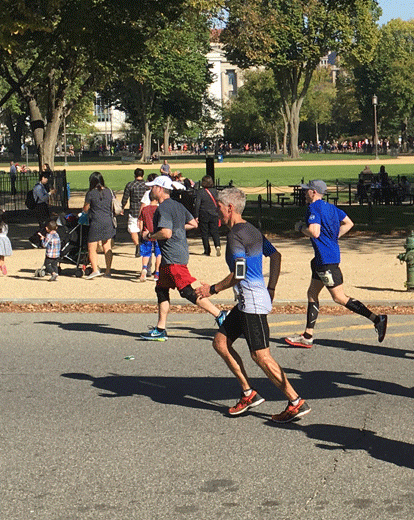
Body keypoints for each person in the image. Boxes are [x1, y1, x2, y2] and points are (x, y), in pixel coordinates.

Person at [198, 186, 308, 422]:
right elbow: (275, 255)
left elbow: (239, 273)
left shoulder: (236, 235)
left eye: (219, 207)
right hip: (248, 301)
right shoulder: (251, 230)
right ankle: (248, 393)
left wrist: (212, 289)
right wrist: (271, 288)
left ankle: (295, 401)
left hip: (251, 303)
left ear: (230, 208)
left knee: (261, 356)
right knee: (221, 343)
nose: (217, 212)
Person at [281, 179, 388, 348]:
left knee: (339, 297)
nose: (304, 193)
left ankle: (376, 319)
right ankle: (308, 335)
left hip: (326, 261)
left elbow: (314, 232)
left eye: (306, 190)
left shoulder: (314, 208)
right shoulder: (331, 207)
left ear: (313, 192)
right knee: (312, 293)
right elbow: (349, 223)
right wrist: (333, 238)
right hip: (321, 259)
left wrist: (300, 227)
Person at [140, 175, 222, 340]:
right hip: (173, 256)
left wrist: (150, 236)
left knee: (187, 291)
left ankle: (220, 315)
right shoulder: (177, 205)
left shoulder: (163, 208)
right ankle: (160, 329)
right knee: (161, 290)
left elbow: (166, 233)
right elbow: (193, 224)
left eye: (153, 186)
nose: (151, 189)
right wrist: (177, 227)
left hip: (173, 257)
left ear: (160, 189)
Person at [80, 171, 122, 279]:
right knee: (107, 247)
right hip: (108, 221)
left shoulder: (91, 193)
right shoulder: (109, 191)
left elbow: (85, 209)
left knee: (92, 247)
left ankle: (95, 269)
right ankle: (108, 271)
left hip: (96, 222)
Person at [122, 168, 150, 256]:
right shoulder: (147, 185)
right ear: (143, 175)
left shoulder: (130, 185)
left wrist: (122, 207)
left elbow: (125, 198)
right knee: (144, 228)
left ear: (134, 175)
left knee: (133, 229)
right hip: (145, 209)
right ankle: (143, 244)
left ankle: (137, 246)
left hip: (134, 210)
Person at [192, 175, 222, 256]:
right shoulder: (215, 191)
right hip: (214, 213)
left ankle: (207, 250)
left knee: (204, 233)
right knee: (215, 232)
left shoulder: (200, 192)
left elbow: (197, 204)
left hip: (203, 214)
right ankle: (217, 245)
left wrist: (196, 215)